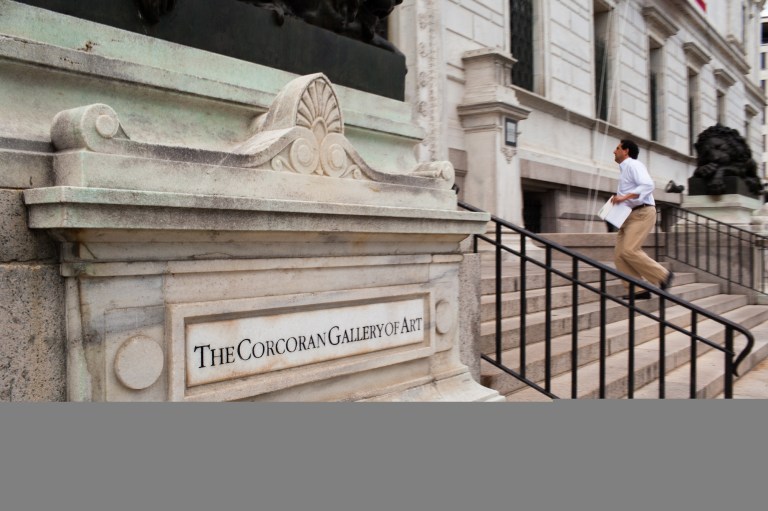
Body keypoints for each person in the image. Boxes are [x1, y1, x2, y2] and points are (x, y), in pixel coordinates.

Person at [611, 139, 674, 299]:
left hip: (642, 213)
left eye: (617, 148)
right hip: (629, 215)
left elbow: (648, 185)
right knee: (619, 255)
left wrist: (624, 197)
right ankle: (638, 290)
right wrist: (619, 200)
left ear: (626, 151)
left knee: (629, 250)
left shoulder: (633, 165)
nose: (614, 151)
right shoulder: (625, 169)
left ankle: (663, 275)